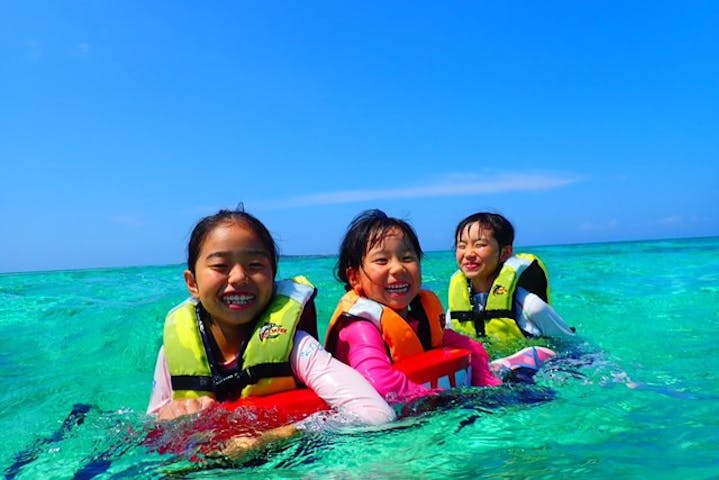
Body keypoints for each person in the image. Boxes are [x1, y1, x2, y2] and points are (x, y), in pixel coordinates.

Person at [147, 208, 395, 456]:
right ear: (192, 283)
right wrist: (165, 419)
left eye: (255, 265)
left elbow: (376, 414)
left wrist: (278, 437)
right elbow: (148, 438)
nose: (238, 277)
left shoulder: (296, 348)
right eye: (220, 265)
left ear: (273, 276)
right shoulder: (170, 355)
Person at [324, 209, 555, 405]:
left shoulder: (418, 317)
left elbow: (470, 346)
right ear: (354, 278)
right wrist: (440, 400)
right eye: (382, 261)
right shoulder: (359, 328)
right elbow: (379, 382)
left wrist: (488, 387)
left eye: (407, 258)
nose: (397, 268)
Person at [447, 212, 575, 348]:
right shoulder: (453, 314)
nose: (469, 254)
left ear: (505, 253)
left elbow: (571, 346)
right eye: (461, 246)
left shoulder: (530, 306)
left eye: (480, 245)